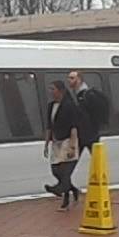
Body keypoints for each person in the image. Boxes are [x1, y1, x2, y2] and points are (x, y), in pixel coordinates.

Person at [43, 80, 80, 211]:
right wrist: (46, 143)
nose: (51, 92)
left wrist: (72, 146)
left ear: (61, 91)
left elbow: (74, 127)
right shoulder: (51, 106)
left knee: (65, 172)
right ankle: (73, 189)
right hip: (56, 141)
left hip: (67, 140)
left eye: (53, 89)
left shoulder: (69, 106)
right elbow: (49, 126)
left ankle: (63, 198)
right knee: (55, 169)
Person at [67, 71, 110, 153]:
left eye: (72, 78)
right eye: (68, 78)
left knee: (97, 160)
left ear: (79, 79)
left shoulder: (88, 95)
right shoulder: (76, 95)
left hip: (89, 136)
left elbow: (94, 114)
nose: (69, 80)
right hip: (83, 136)